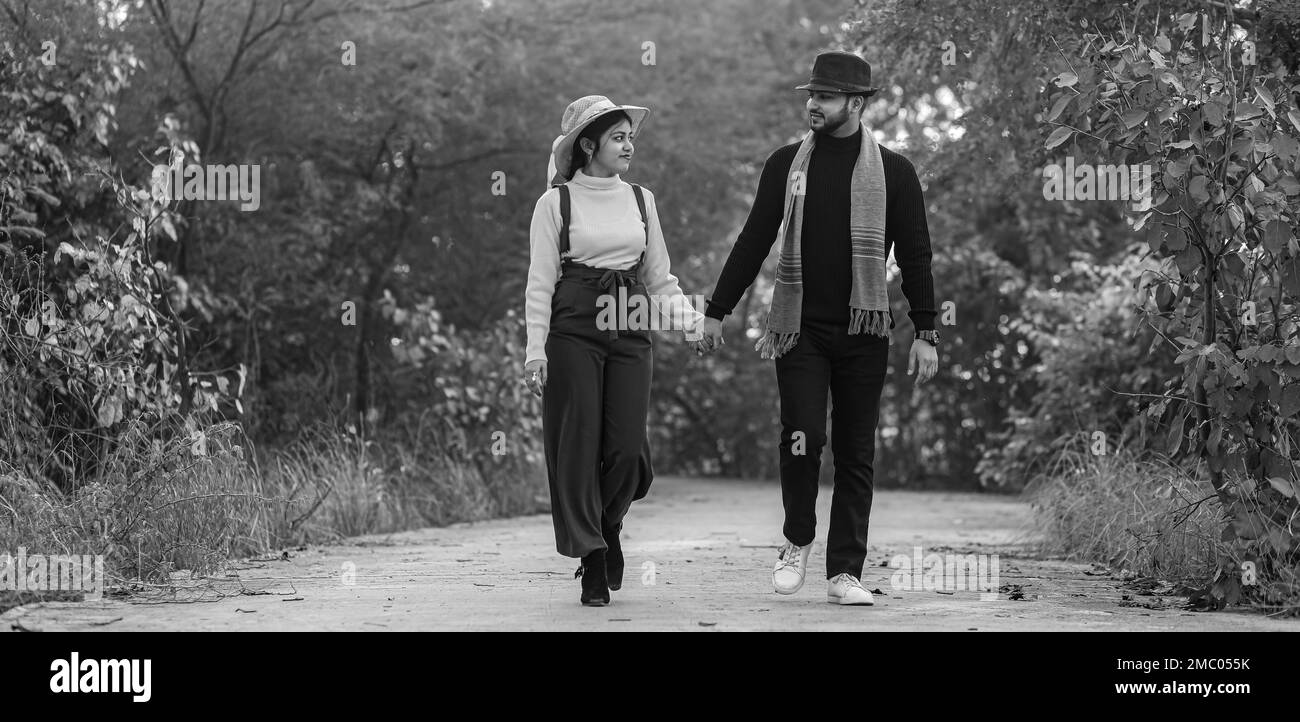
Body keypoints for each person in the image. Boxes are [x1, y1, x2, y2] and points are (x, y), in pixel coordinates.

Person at [697, 51, 940, 606]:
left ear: (856, 104)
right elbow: (755, 236)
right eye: (812, 95)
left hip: (864, 331)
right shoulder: (786, 164)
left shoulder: (896, 173)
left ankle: (844, 572)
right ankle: (796, 540)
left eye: (825, 97)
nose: (813, 104)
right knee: (801, 440)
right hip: (800, 330)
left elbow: (918, 255)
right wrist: (717, 309)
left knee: (857, 454)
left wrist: (926, 333)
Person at [524, 95, 704, 606]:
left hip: (630, 318)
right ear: (589, 145)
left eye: (630, 136)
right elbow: (540, 283)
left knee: (627, 448)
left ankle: (609, 523)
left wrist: (694, 323)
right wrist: (535, 349)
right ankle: (593, 558)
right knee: (577, 445)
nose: (630, 145)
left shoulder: (642, 200)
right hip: (573, 324)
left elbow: (661, 280)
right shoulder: (554, 203)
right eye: (619, 137)